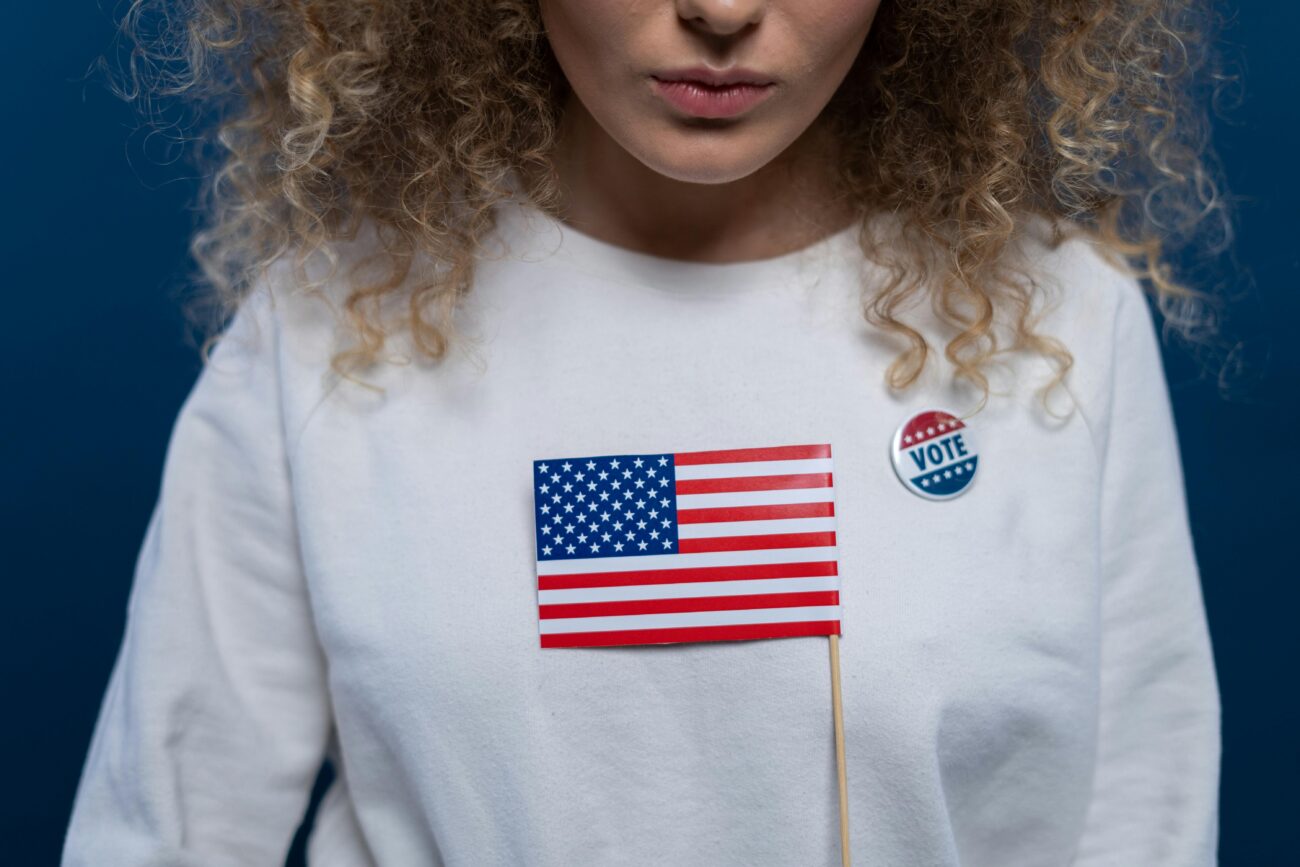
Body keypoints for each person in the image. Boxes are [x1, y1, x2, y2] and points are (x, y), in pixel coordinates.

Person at [65, 0, 1226, 864]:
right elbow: (164, 831)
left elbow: (1142, 819)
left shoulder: (1060, 321)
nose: (721, 11)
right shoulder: (327, 326)